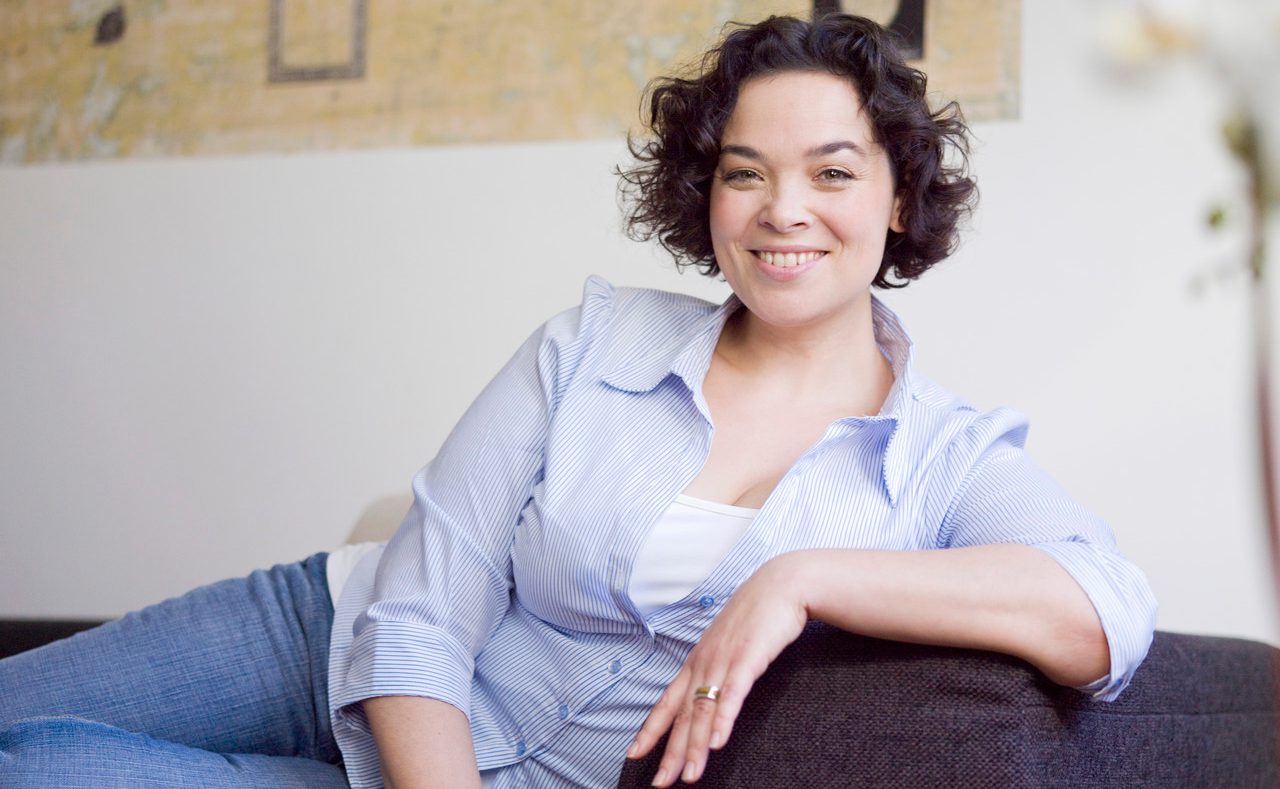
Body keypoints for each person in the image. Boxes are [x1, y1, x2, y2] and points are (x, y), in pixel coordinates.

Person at [0, 13, 1157, 789]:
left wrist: (797, 577)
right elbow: (419, 611)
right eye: (743, 172)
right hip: (328, 637)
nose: (779, 209)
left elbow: (1102, 611)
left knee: (42, 765)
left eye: (832, 172)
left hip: (495, 761)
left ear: (900, 201)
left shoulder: (939, 459)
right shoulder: (591, 343)